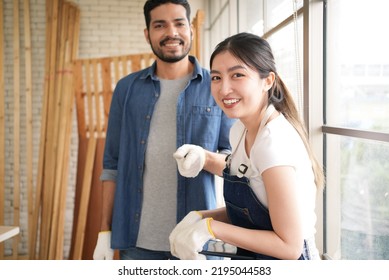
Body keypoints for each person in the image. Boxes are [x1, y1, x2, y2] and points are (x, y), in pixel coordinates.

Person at [93, 0, 234, 260]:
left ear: (190, 29)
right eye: (160, 25)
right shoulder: (127, 89)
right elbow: (111, 165)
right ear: (147, 33)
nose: (171, 33)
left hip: (197, 243)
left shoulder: (216, 86)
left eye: (179, 23)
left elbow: (235, 163)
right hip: (137, 244)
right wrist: (105, 231)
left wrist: (204, 158)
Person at [169, 32, 325, 260]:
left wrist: (211, 228)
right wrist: (199, 217)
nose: (223, 89)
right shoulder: (240, 131)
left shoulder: (273, 142)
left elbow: (289, 247)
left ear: (268, 81)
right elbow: (252, 211)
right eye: (216, 78)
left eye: (238, 75)